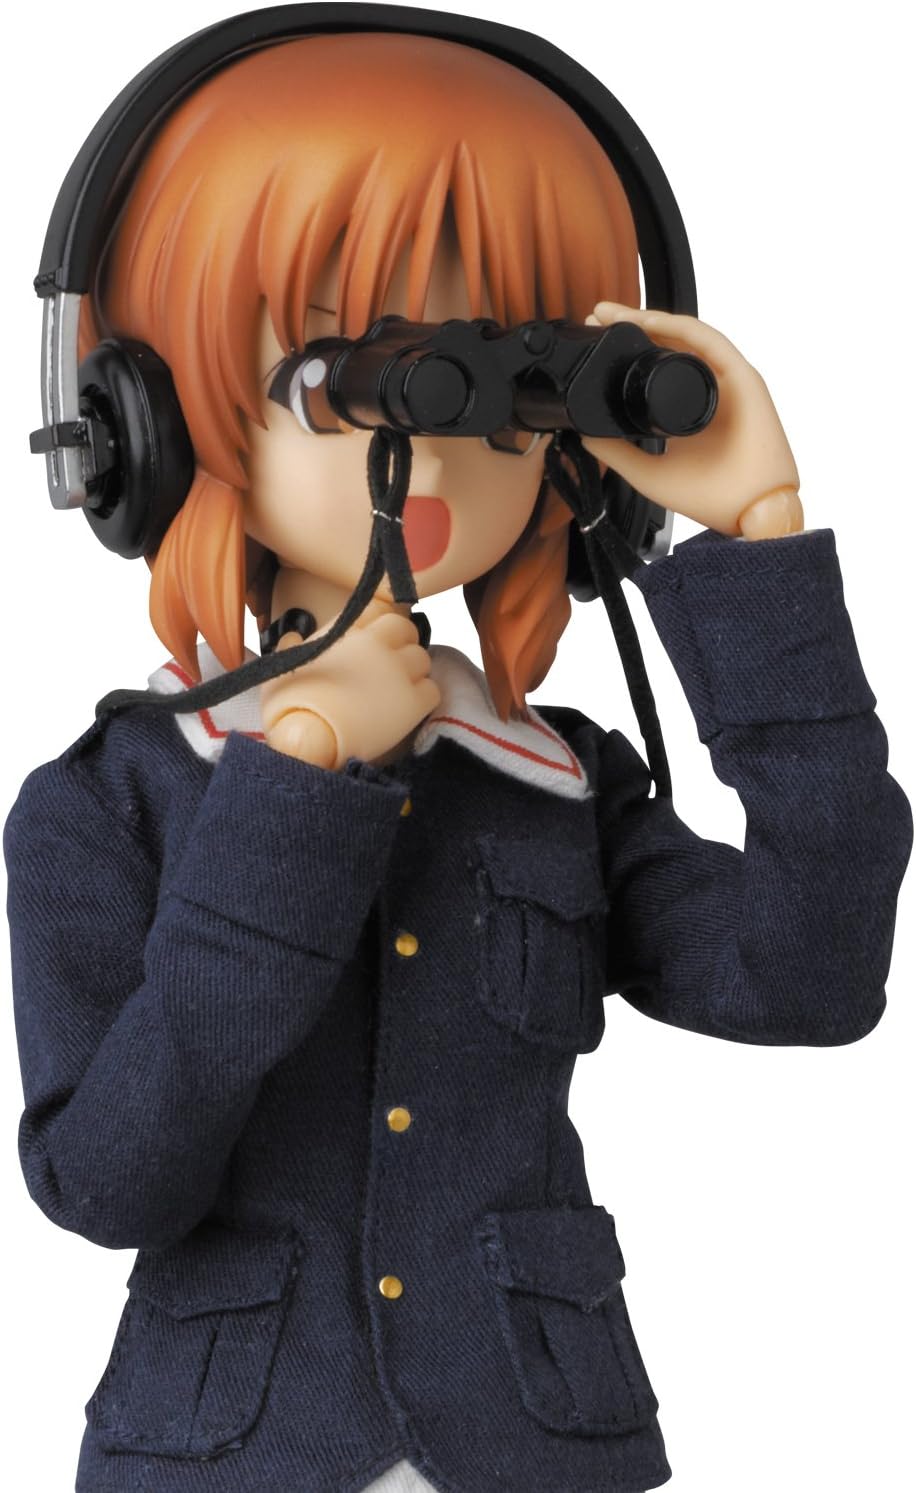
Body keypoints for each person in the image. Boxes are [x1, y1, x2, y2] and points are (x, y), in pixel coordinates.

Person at [4, 20, 910, 1493]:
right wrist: (298, 775)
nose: (425, 452)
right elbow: (110, 1182)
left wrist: (761, 547)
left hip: (536, 1444)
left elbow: (811, 978)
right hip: (229, 1454)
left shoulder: (558, 785)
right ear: (143, 424)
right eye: (337, 377)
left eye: (500, 387)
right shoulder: (107, 802)